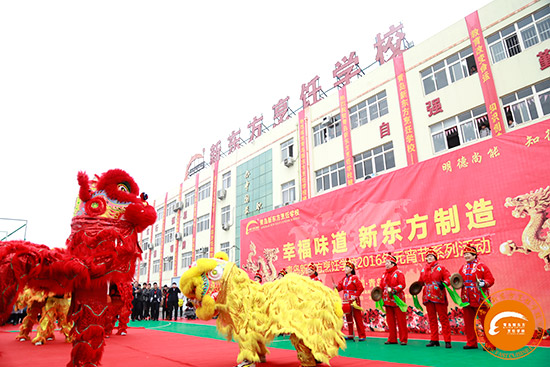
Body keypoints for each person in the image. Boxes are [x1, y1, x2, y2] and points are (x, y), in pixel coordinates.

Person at [459, 245, 495, 351]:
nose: (466, 256)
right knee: (469, 323)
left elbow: (491, 280)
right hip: (467, 299)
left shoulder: (482, 266)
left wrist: (484, 283)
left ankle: (490, 344)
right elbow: (459, 280)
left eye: (468, 254)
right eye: (465, 254)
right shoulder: (462, 268)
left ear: (474, 255)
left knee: (486, 321)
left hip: (480, 298)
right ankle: (471, 342)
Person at [417, 249, 452, 348]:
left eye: (431, 256)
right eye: (427, 256)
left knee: (443, 318)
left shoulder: (441, 268)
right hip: (427, 296)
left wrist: (444, 284)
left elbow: (448, 278)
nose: (429, 258)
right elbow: (420, 282)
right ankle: (434, 339)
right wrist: (415, 288)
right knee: (432, 319)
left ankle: (447, 340)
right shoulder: (423, 270)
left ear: (435, 258)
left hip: (439, 295)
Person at [380, 253, 408, 345]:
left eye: (388, 262)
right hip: (387, 300)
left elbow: (402, 285)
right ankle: (392, 339)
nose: (386, 264)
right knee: (390, 320)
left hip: (397, 299)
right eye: (385, 262)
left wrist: (394, 289)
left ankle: (403, 339)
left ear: (393, 263)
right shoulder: (384, 275)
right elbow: (381, 286)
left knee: (401, 320)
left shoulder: (398, 273)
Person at [335, 259, 366, 341]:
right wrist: (336, 287)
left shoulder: (354, 278)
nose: (345, 269)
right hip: (346, 301)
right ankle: (350, 334)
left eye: (347, 267)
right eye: (345, 267)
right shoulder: (344, 279)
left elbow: (361, 288)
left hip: (354, 301)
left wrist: (355, 296)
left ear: (351, 269)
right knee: (348, 318)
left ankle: (362, 335)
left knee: (357, 318)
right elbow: (340, 287)